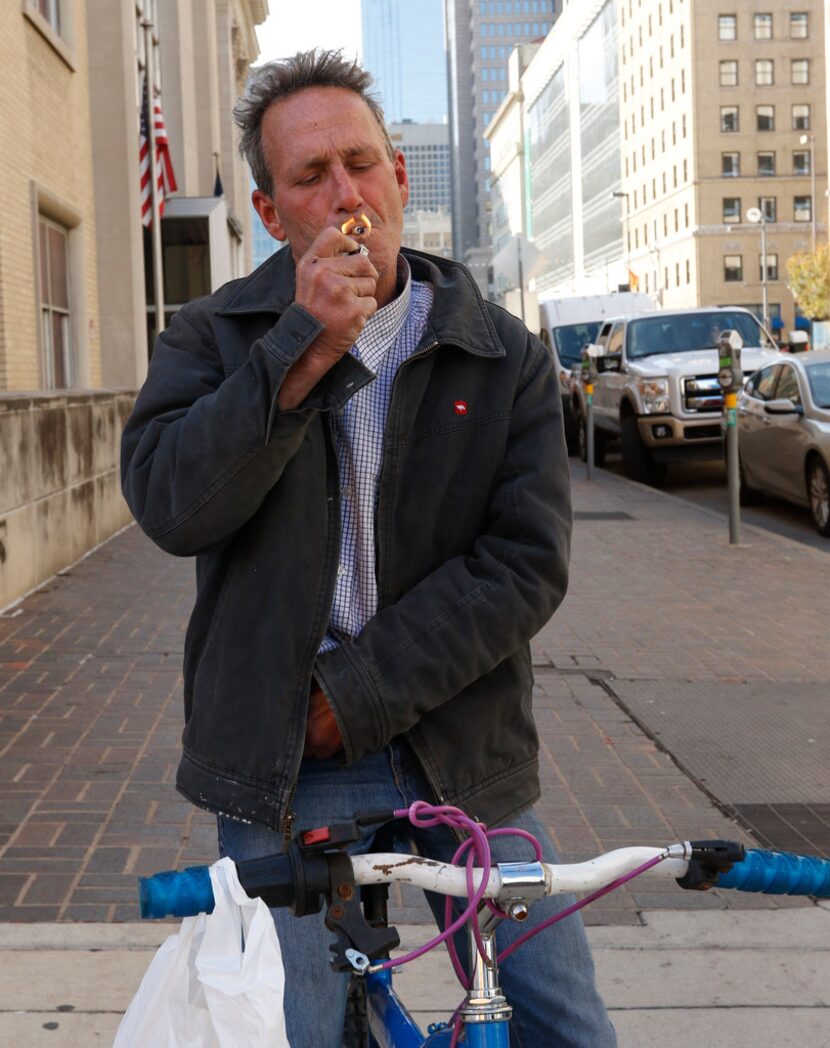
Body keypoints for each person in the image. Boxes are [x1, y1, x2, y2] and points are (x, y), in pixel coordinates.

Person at [121, 49, 615, 1048]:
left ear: (397, 172)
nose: (344, 194)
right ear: (271, 214)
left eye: (360, 163)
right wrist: (292, 355)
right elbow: (173, 507)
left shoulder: (500, 350)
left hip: (460, 746)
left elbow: (525, 563)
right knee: (303, 1024)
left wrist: (356, 695)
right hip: (282, 758)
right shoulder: (216, 337)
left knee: (561, 1020)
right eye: (310, 178)